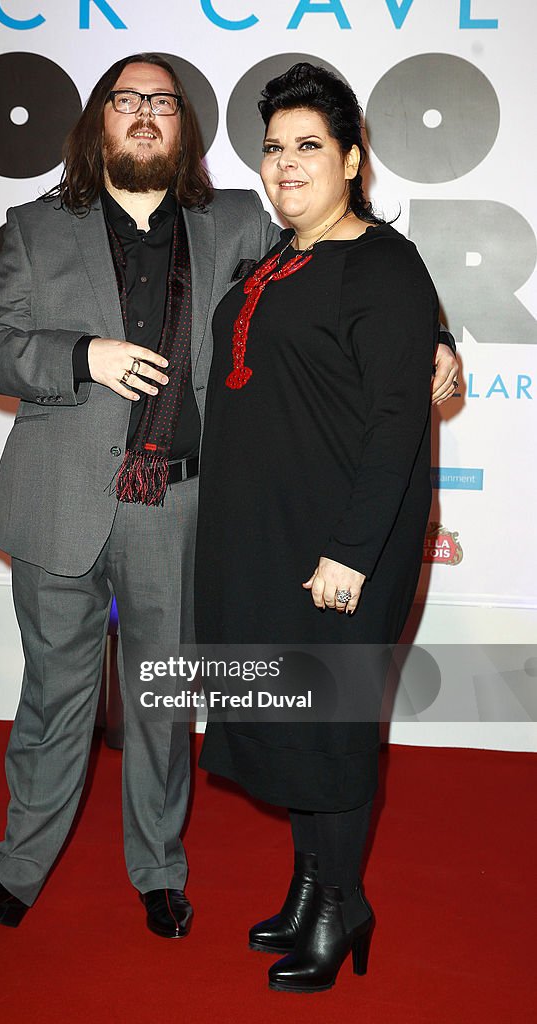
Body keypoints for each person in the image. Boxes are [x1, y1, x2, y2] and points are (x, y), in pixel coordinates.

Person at [0, 53, 458, 938]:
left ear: (185, 130)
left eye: (162, 103)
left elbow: (351, 254)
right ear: (99, 122)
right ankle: (14, 871)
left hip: (179, 510)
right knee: (52, 697)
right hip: (57, 501)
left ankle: (158, 872)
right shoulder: (32, 228)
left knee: (165, 705)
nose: (143, 113)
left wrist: (436, 336)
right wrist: (76, 356)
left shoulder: (241, 220)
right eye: (125, 100)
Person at [195, 62, 447, 991]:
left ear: (350, 158)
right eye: (272, 148)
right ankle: (310, 886)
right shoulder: (277, 254)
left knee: (330, 726)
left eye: (308, 146)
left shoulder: (382, 261)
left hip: (337, 545)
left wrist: (349, 552)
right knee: (291, 721)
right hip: (264, 539)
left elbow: (393, 421)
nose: (285, 163)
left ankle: (344, 906)